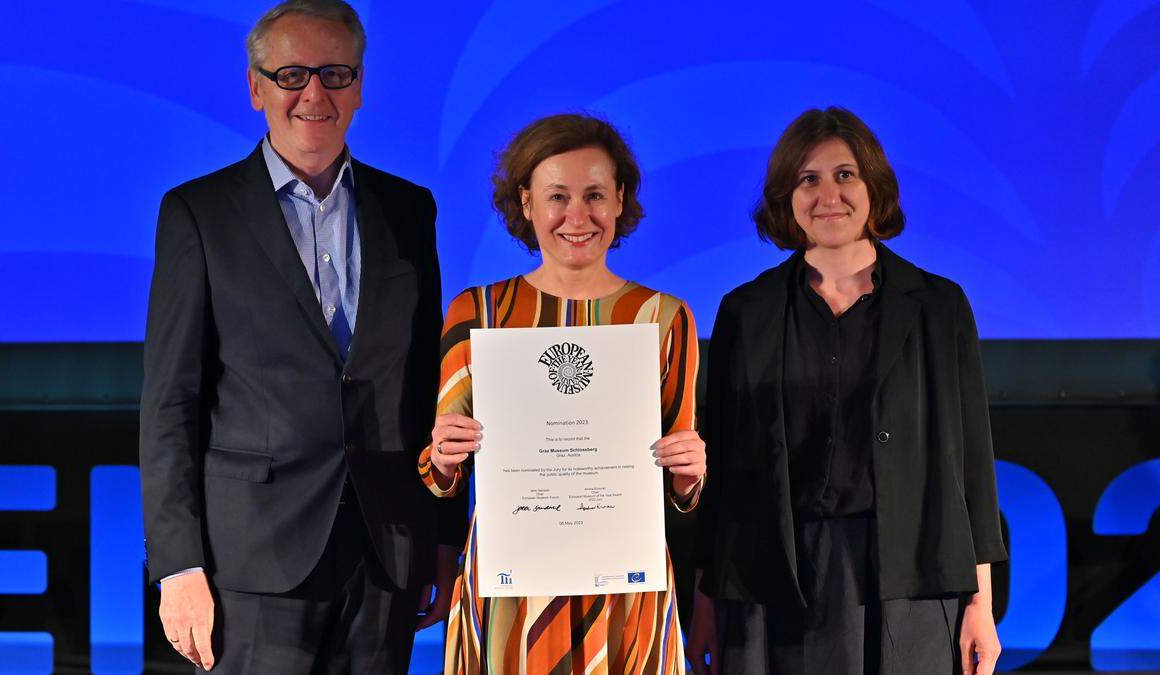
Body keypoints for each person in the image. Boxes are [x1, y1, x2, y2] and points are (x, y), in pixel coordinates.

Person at [139, 1, 464, 671]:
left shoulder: (409, 209)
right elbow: (170, 401)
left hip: (387, 550)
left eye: (335, 73)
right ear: (257, 88)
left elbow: (431, 385)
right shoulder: (198, 214)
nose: (314, 92)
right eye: (291, 74)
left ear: (361, 87)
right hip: (253, 561)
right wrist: (177, 564)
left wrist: (443, 536)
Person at [686, 107, 1006, 675]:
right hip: (773, 579)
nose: (826, 194)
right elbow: (724, 474)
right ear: (786, 196)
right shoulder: (746, 311)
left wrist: (980, 606)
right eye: (808, 179)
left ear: (873, 188)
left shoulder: (938, 305)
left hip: (909, 573)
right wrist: (705, 603)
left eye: (844, 175)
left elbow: (972, 467)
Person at [419, 113, 707, 674]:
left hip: (627, 597)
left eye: (595, 194)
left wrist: (690, 472)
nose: (578, 216)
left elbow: (682, 490)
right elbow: (438, 477)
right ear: (526, 203)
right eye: (558, 196)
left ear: (620, 200)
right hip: (510, 594)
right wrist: (445, 457)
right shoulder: (477, 314)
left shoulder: (665, 319)